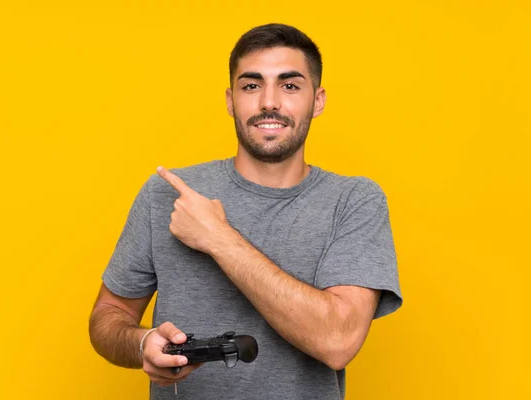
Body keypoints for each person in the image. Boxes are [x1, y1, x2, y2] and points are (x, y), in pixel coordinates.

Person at [89, 23, 402, 400]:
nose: (269, 102)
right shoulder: (167, 194)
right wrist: (142, 344)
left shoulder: (354, 201)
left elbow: (337, 341)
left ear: (317, 101)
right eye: (251, 85)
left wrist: (218, 238)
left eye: (290, 85)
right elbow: (107, 318)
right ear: (229, 99)